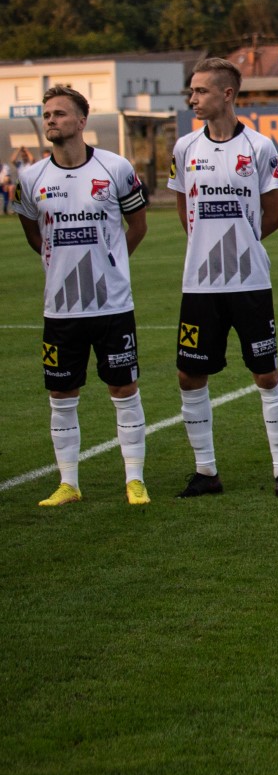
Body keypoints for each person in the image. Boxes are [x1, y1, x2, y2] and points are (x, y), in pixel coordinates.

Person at [15, 86, 151, 506]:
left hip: (111, 305)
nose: (51, 120)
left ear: (81, 121)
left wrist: (113, 265)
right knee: (61, 395)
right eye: (47, 114)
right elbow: (33, 232)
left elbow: (138, 225)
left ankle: (135, 480)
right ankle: (68, 483)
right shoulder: (31, 177)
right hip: (60, 308)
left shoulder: (116, 168)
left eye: (58, 114)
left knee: (123, 389)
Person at [169, 57, 278, 497]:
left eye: (200, 91)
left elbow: (273, 215)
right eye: (192, 91)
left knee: (266, 374)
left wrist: (238, 241)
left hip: (250, 282)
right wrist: (209, 245)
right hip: (200, 284)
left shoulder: (260, 148)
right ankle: (206, 472)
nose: (193, 99)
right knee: (190, 375)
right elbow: (186, 213)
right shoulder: (184, 148)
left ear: (227, 94)